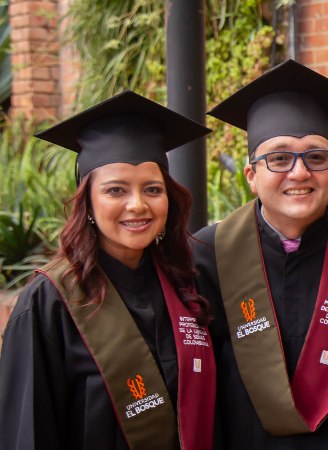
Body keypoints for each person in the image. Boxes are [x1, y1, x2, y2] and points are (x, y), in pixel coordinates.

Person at [0, 90, 216, 450]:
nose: (137, 205)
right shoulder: (49, 303)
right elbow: (27, 433)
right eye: (116, 190)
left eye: (152, 189)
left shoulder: (186, 286)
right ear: (87, 201)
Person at [193, 59, 328, 449]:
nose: (299, 173)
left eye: (316, 157)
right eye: (279, 159)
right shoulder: (208, 256)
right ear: (251, 176)